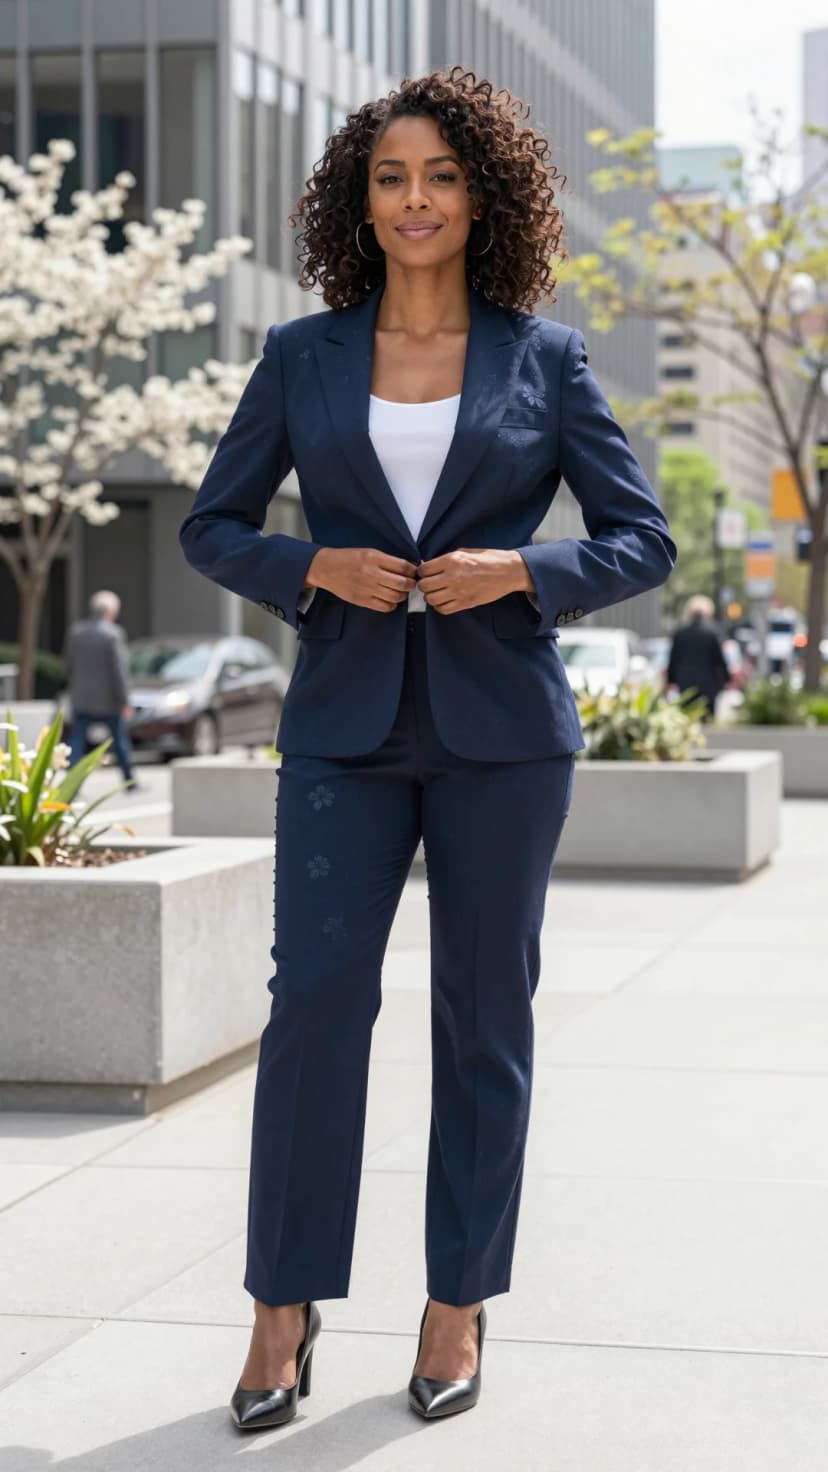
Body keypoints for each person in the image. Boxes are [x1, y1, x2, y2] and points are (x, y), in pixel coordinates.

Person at [179, 67, 676, 1431]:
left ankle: (457, 1300)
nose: (415, 199)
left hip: (502, 735)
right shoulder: (303, 355)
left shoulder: (546, 359)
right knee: (315, 1005)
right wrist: (313, 565)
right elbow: (212, 526)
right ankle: (282, 1307)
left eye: (442, 177)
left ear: (483, 197)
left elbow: (642, 539)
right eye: (392, 177)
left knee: (484, 1016)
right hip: (342, 726)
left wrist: (522, 571)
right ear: (361, 199)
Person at [63, 589, 141, 789]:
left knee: (77, 742)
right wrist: (125, 701)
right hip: (109, 700)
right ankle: (129, 781)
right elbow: (119, 671)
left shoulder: (76, 632)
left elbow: (68, 665)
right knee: (119, 742)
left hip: (81, 698)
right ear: (111, 611)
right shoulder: (113, 634)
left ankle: (70, 785)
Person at [666, 594, 730, 721]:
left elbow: (673, 660)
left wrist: (670, 680)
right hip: (708, 682)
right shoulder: (712, 634)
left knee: (687, 717)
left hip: (685, 682)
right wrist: (727, 678)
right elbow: (719, 660)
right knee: (707, 717)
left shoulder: (680, 633)